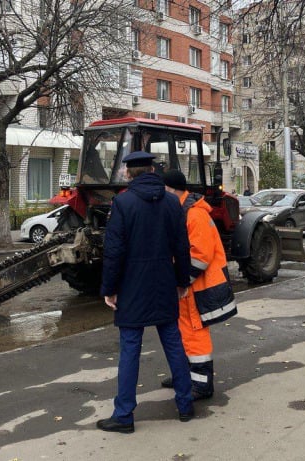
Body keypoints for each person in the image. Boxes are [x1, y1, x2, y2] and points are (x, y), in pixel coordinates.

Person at [96, 151, 195, 434]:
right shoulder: (172, 203)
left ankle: (124, 415)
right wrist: (182, 281)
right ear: (153, 169)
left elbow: (114, 252)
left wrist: (110, 289)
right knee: (173, 343)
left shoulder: (123, 203)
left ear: (128, 173)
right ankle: (185, 405)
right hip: (164, 282)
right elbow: (181, 246)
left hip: (132, 286)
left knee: (130, 349)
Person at [159, 170, 237, 400]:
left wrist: (182, 281)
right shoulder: (184, 211)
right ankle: (184, 376)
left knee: (195, 333)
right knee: (184, 331)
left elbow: (200, 256)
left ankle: (202, 385)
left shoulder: (194, 215)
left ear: (172, 190)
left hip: (197, 286)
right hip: (191, 285)